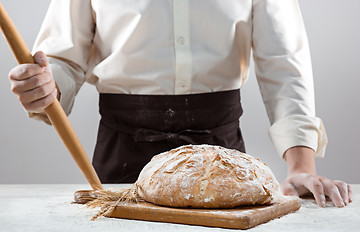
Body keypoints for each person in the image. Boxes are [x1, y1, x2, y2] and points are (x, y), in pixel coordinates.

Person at [8, 0, 351, 207]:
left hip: (222, 160)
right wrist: (46, 87)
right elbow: (63, 63)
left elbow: (283, 62)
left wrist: (301, 168)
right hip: (120, 158)